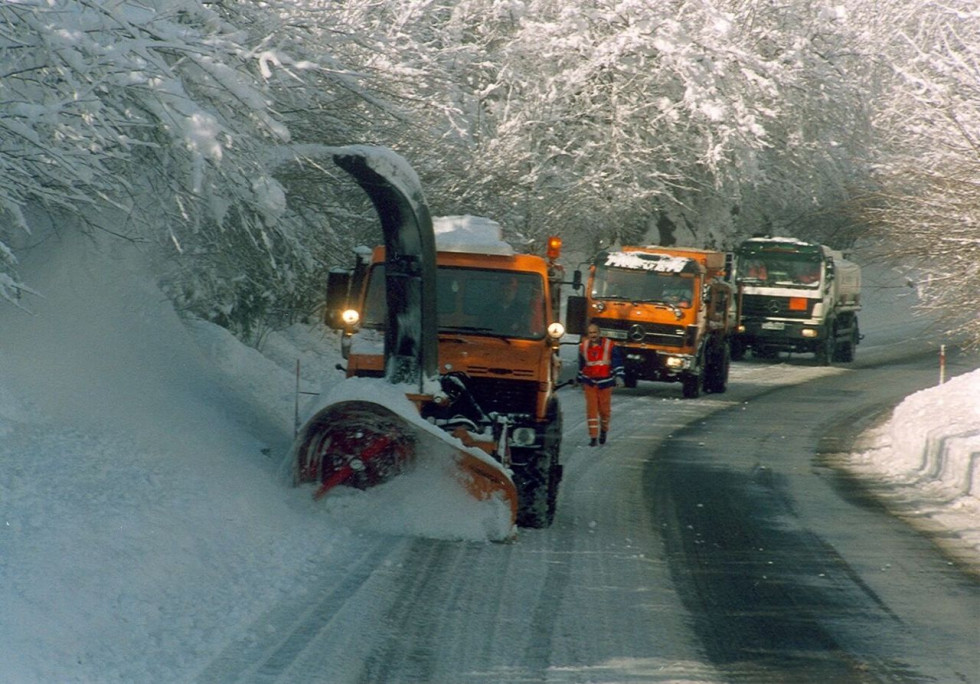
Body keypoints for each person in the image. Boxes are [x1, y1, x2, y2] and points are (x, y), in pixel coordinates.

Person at [576, 322, 625, 446]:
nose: (593, 335)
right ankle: (593, 437)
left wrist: (619, 376)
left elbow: (617, 362)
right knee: (591, 410)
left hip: (605, 382)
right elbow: (582, 365)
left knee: (604, 411)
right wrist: (579, 378)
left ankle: (604, 430)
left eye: (595, 332)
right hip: (590, 382)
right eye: (590, 333)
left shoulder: (610, 346)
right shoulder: (584, 346)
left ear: (599, 333)